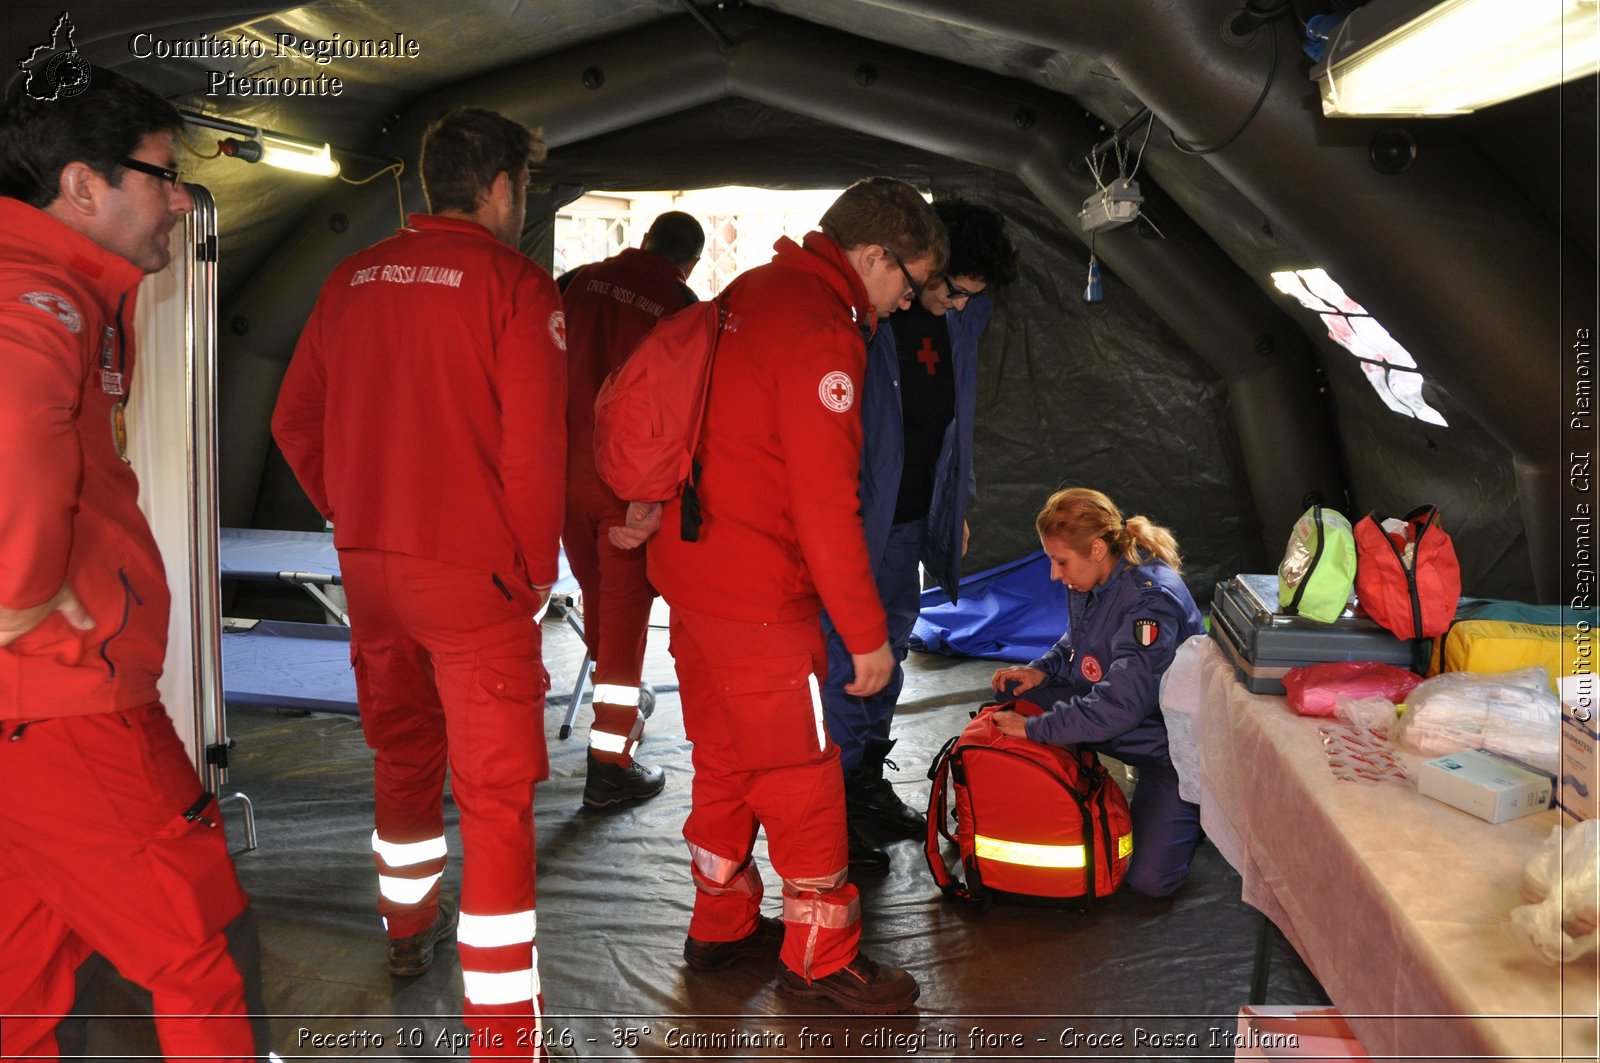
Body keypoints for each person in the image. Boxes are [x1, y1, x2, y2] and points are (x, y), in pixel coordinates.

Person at [272, 107, 566, 1056]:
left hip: (372, 572)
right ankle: (502, 1033)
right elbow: (536, 453)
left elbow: (292, 421)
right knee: (495, 799)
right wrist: (528, 572)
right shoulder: (515, 288)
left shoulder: (348, 277)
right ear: (499, 190)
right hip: (472, 579)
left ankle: (407, 936)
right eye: (522, 188)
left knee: (403, 756)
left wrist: (351, 511)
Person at [636, 177, 945, 1014]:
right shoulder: (820, 330)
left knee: (726, 760)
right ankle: (822, 956)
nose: (903, 303)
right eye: (907, 285)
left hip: (695, 582)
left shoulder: (752, 289)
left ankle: (722, 921)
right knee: (806, 776)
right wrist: (866, 631)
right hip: (763, 602)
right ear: (876, 256)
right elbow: (824, 503)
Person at [0, 67, 259, 1059]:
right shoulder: (39, 297)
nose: (184, 198)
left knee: (19, 974)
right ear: (81, 186)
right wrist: (19, 592)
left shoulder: (68, 289)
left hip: (43, 711)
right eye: (164, 174)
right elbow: (15, 430)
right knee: (192, 960)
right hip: (66, 706)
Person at [822, 197, 1019, 871]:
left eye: (972, 298)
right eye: (950, 290)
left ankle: (867, 782)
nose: (959, 307)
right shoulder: (865, 317)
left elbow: (955, 419)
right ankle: (833, 806)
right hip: (859, 518)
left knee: (893, 647)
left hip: (912, 517)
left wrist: (953, 504)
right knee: (850, 656)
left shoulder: (962, 316)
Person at [989, 488, 1205, 898]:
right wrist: (1041, 671)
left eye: (1060, 561)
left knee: (1149, 882)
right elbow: (1077, 640)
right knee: (1014, 696)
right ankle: (1075, 789)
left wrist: (1037, 729)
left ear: (1097, 547)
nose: (1055, 574)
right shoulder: (1094, 577)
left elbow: (1120, 706)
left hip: (1170, 746)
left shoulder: (1149, 601)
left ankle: (1195, 807)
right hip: (1120, 717)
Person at [561, 212, 704, 809]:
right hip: (627, 487)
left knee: (599, 607)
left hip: (564, 472)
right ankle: (609, 767)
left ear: (643, 241)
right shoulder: (679, 304)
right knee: (622, 631)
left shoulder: (577, 282)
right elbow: (681, 405)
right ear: (689, 262)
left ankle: (615, 717)